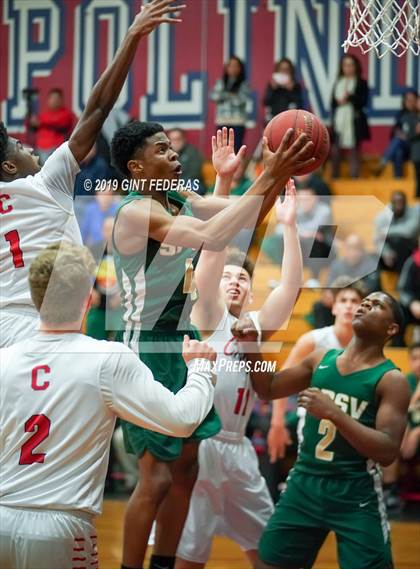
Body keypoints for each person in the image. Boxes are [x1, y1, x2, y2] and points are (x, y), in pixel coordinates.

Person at [110, 125, 314, 569]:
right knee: (156, 478)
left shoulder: (180, 198)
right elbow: (212, 236)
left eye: (173, 145)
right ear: (136, 167)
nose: (175, 153)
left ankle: (164, 562)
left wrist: (276, 172)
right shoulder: (135, 212)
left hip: (182, 344)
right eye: (162, 149)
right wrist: (266, 174)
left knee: (186, 469)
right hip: (144, 350)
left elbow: (243, 215)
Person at [0, 241, 217, 569]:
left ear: (34, 298)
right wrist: (200, 369)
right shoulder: (107, 360)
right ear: (88, 299)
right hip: (61, 527)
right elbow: (182, 420)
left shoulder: (4, 360)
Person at [0, 0, 181, 349]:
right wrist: (132, 35)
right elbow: (98, 108)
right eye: (21, 147)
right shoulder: (46, 181)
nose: (33, 149)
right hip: (40, 328)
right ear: (9, 167)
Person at [176, 178, 302, 568]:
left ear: (250, 293)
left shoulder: (254, 326)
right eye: (229, 276)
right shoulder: (205, 315)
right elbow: (209, 261)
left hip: (239, 449)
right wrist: (225, 184)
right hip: (200, 446)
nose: (234, 281)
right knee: (188, 557)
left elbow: (291, 286)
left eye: (243, 278)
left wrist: (290, 225)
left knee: (268, 552)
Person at [233, 291, 410, 569]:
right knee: (268, 564)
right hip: (305, 482)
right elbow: (267, 388)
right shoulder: (321, 358)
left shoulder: (392, 379)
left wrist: (334, 413)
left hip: (354, 492)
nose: (365, 304)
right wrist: (249, 346)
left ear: (391, 329)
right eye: (366, 301)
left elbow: (387, 451)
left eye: (376, 305)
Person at [268, 279, 366, 464]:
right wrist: (277, 423)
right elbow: (280, 382)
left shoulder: (366, 347)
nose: (349, 306)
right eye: (343, 300)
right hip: (314, 422)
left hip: (352, 422)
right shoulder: (312, 341)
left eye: (354, 301)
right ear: (334, 307)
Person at [262, 186, 333, 285]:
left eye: (307, 199)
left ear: (315, 199)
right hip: (302, 244)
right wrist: (305, 233)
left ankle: (314, 279)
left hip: (325, 247)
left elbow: (316, 230)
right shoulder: (295, 208)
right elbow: (279, 229)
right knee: (280, 241)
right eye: (301, 200)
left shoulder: (324, 210)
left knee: (315, 242)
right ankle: (285, 279)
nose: (304, 203)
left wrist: (295, 230)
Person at [331, 54, 370, 178]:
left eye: (350, 65)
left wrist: (350, 97)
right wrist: (339, 101)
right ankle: (335, 178)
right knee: (335, 150)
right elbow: (332, 103)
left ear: (356, 66)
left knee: (354, 151)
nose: (348, 68)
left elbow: (363, 102)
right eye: (345, 65)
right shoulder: (338, 82)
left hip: (354, 121)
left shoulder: (361, 83)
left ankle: (354, 179)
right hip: (339, 120)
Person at [210, 56, 251, 153]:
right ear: (226, 68)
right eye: (230, 66)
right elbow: (214, 96)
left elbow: (240, 100)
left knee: (236, 148)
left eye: (236, 66)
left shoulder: (244, 84)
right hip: (222, 120)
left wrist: (224, 95)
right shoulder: (220, 82)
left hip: (237, 121)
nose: (233, 68)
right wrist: (231, 95)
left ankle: (237, 167)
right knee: (221, 148)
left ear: (240, 68)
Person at [374, 89, 418, 178]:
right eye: (408, 100)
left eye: (413, 100)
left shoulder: (418, 114)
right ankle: (398, 179)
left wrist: (408, 136)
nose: (410, 102)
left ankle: (383, 163)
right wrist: (400, 134)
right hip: (404, 145)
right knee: (398, 151)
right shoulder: (401, 114)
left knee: (398, 141)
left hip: (415, 146)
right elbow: (395, 131)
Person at [374, 190, 420, 273]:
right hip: (388, 251)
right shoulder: (382, 217)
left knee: (399, 241)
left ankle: (402, 280)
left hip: (409, 249)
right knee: (372, 257)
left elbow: (409, 231)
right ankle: (377, 283)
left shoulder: (414, 213)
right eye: (396, 202)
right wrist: (386, 253)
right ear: (392, 203)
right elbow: (377, 239)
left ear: (406, 203)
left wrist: (386, 232)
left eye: (401, 202)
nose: (399, 206)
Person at [29, 88, 76, 164]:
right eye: (52, 98)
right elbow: (33, 126)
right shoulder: (43, 115)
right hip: (40, 148)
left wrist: (40, 123)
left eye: (57, 98)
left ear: (62, 100)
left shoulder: (66, 113)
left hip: (56, 149)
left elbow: (60, 124)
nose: (54, 100)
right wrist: (32, 121)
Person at [263, 58, 304, 124]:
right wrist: (273, 89)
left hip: (290, 121)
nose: (283, 72)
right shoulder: (272, 84)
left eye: (286, 70)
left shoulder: (296, 85)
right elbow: (265, 102)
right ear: (277, 70)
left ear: (291, 71)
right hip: (273, 120)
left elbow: (300, 106)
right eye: (281, 69)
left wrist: (291, 90)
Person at [396, 236, 420, 345]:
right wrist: (412, 303)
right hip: (414, 308)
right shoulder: (412, 262)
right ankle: (398, 346)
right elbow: (402, 289)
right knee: (398, 310)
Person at [167, 128, 206, 195]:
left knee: (193, 186)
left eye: (178, 139)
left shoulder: (192, 152)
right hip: (171, 183)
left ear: (183, 139)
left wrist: (177, 183)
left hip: (190, 182)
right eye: (173, 139)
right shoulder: (165, 154)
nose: (176, 142)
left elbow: (194, 173)